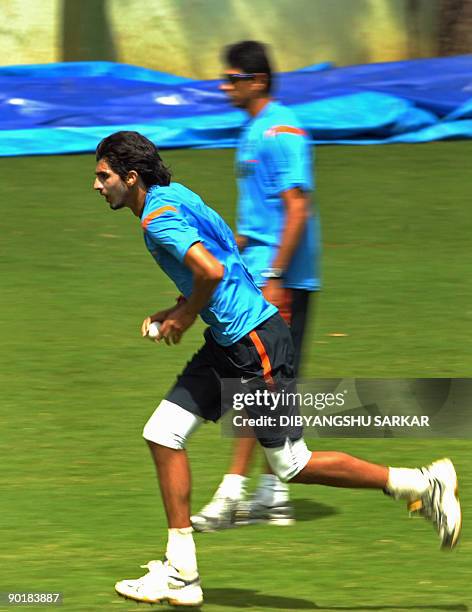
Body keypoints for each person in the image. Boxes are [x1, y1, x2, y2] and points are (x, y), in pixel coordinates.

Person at [94, 130, 461, 607]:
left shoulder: (158, 220)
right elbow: (219, 257)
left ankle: (422, 484)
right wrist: (178, 307)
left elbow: (212, 270)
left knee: (292, 465)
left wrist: (183, 317)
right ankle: (181, 572)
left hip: (253, 345)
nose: (97, 186)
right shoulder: (173, 197)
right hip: (230, 340)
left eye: (103, 177)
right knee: (163, 433)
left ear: (130, 176)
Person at [192, 40, 321, 532]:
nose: (225, 87)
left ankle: (232, 492)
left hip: (279, 278)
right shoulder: (249, 132)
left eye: (233, 79)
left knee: (255, 386)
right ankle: (274, 491)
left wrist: (278, 277)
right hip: (256, 271)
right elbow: (250, 219)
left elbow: (297, 208)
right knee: (269, 386)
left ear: (258, 81)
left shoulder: (283, 131)